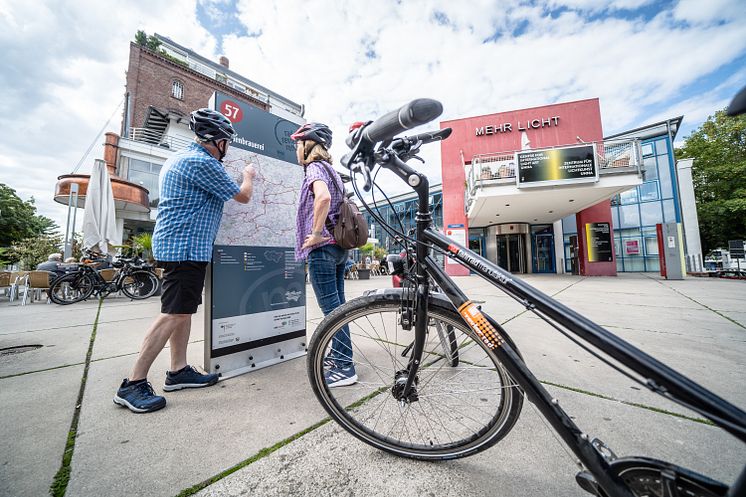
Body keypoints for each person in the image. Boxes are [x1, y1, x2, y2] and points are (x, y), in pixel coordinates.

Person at [113, 108, 256, 413]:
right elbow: (242, 195)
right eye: (226, 141)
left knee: (182, 311)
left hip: (182, 246)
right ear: (217, 141)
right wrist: (249, 175)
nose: (227, 148)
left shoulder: (183, 158)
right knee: (173, 313)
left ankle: (178, 371)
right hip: (185, 248)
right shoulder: (200, 161)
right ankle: (133, 384)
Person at [291, 122, 357, 387]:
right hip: (339, 248)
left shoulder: (314, 167)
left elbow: (323, 198)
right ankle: (340, 355)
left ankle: (345, 367)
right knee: (339, 309)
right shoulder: (332, 171)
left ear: (308, 146)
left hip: (324, 249)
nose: (296, 150)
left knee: (332, 312)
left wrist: (316, 233)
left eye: (298, 144)